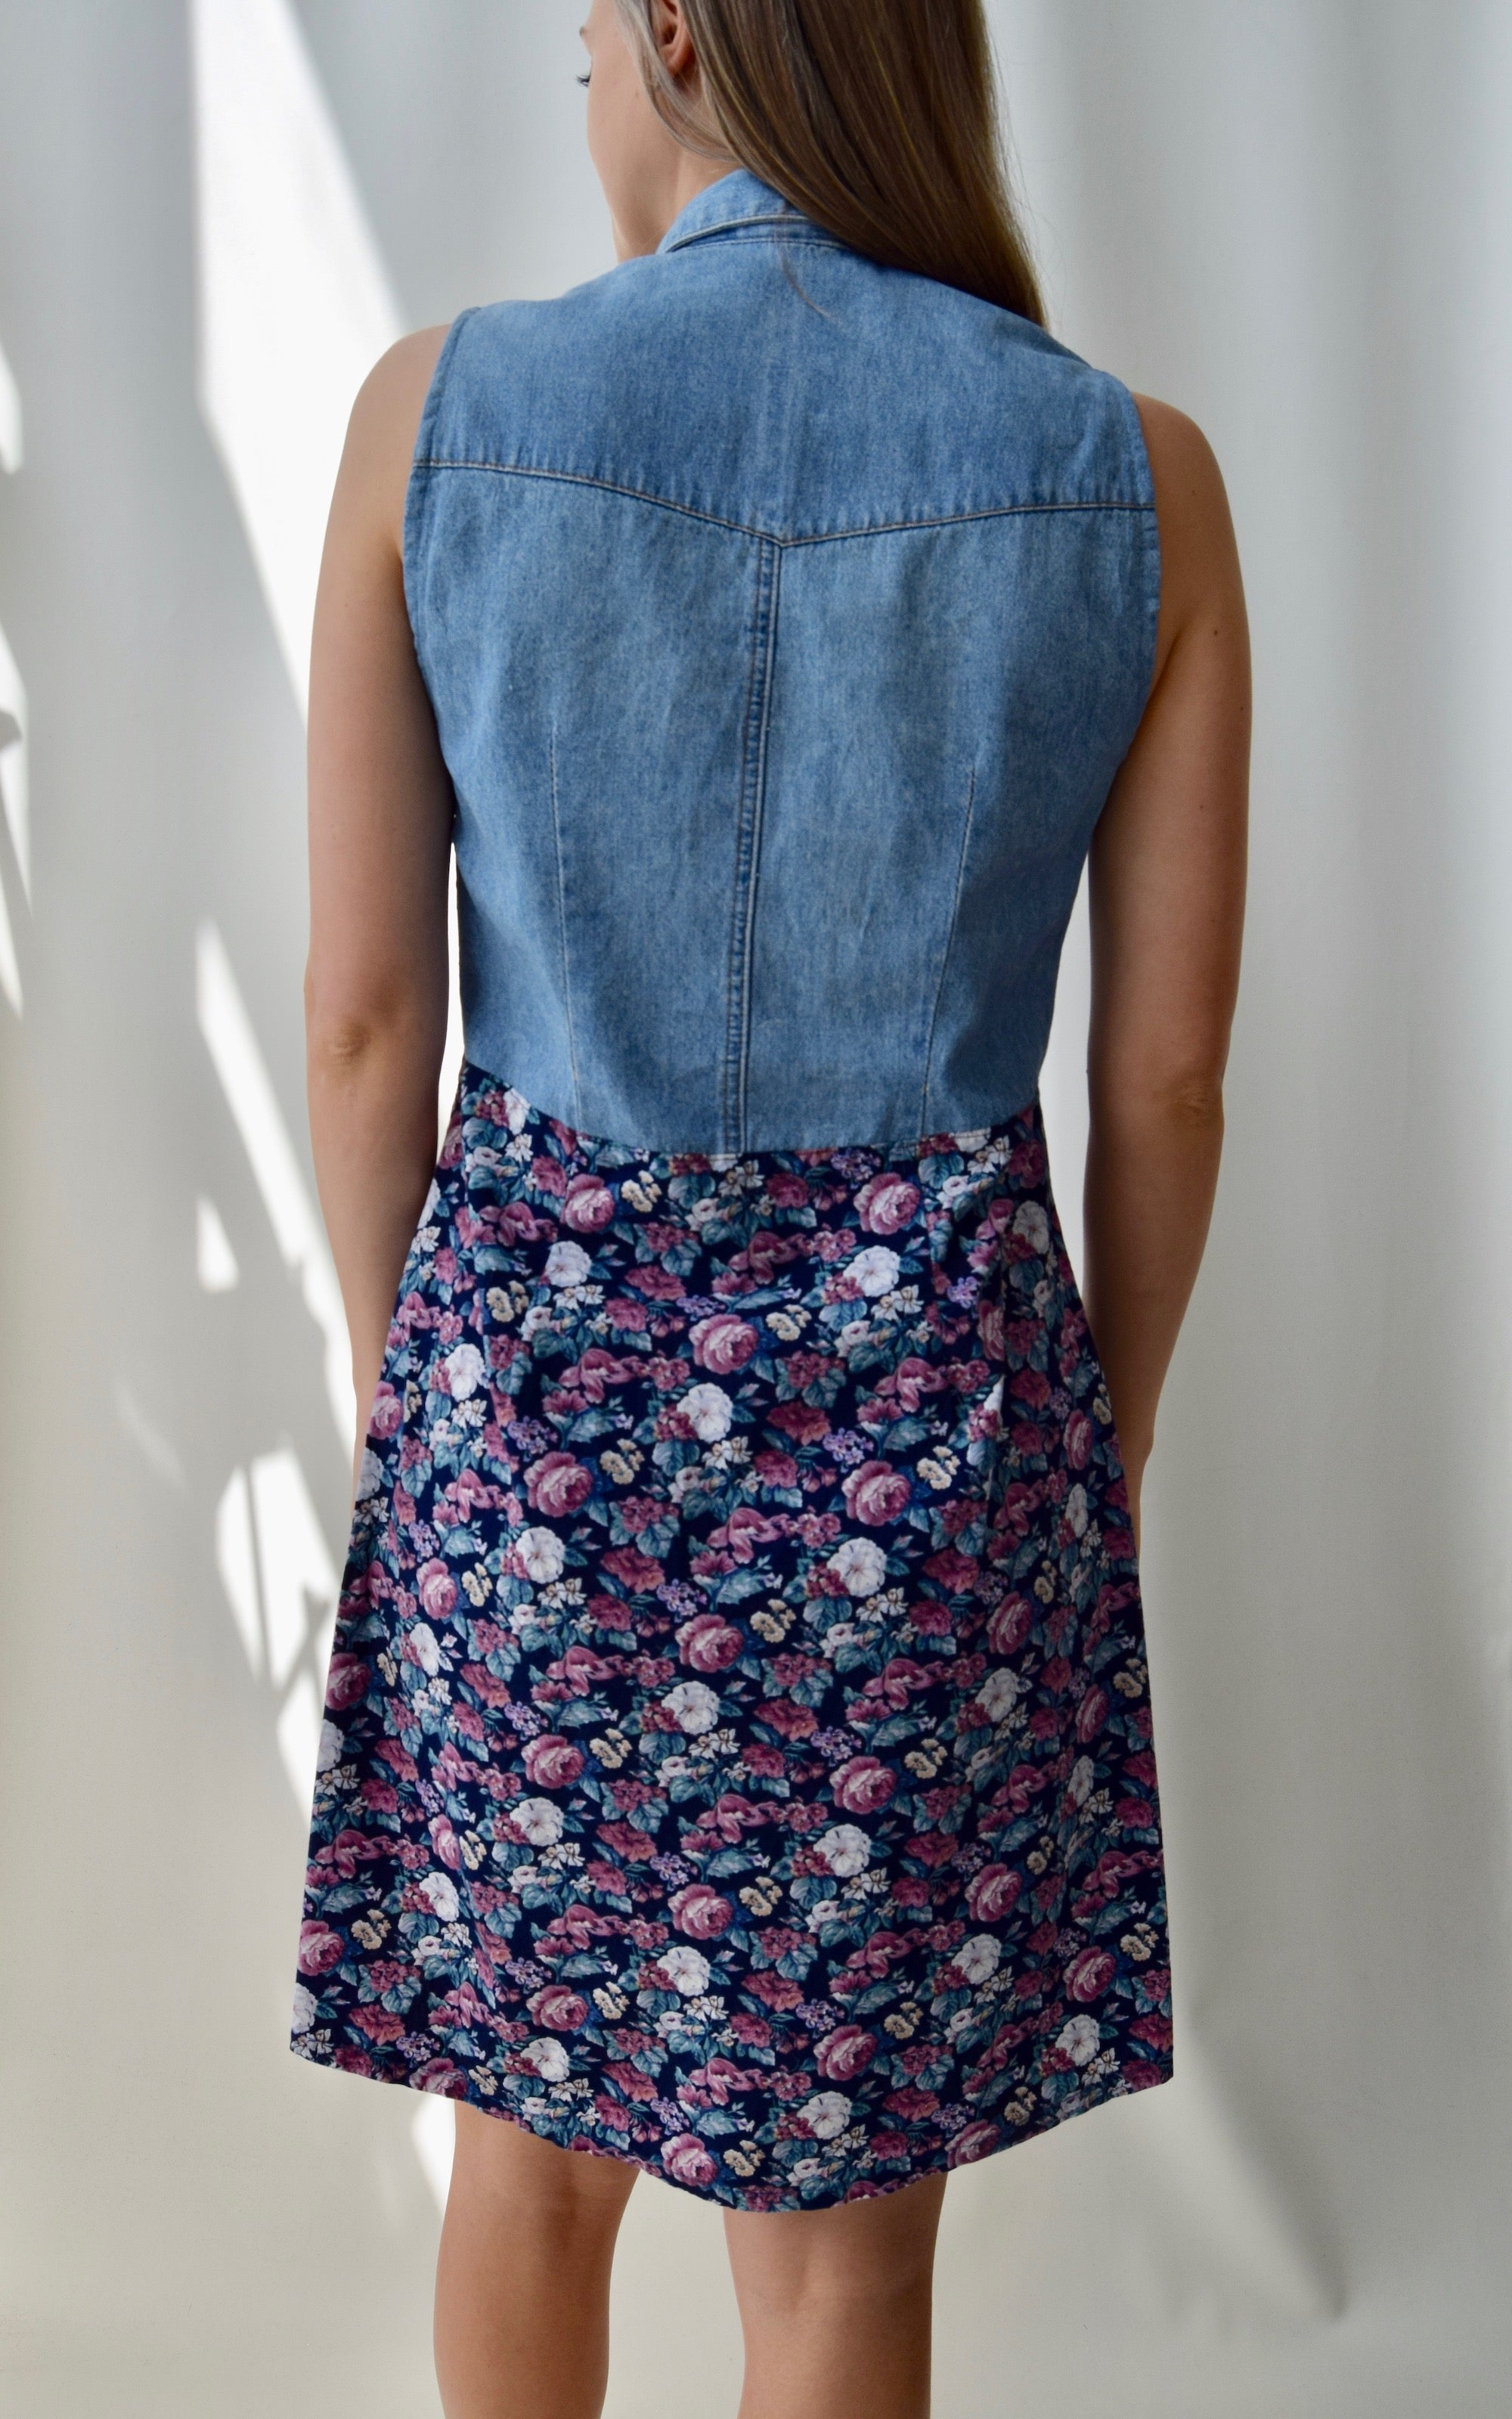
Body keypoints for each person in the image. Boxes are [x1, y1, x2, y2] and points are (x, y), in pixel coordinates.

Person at [290, 2, 1249, 2413]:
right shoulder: (1131, 476)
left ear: (684, 31)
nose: (582, 81)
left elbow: (360, 1026)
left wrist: (419, 1399)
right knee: (840, 2271)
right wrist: (1088, 1437)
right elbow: (1164, 1070)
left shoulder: (438, 418)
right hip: (932, 1452)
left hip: (534, 1419)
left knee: (526, 2165)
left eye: (587, 36)